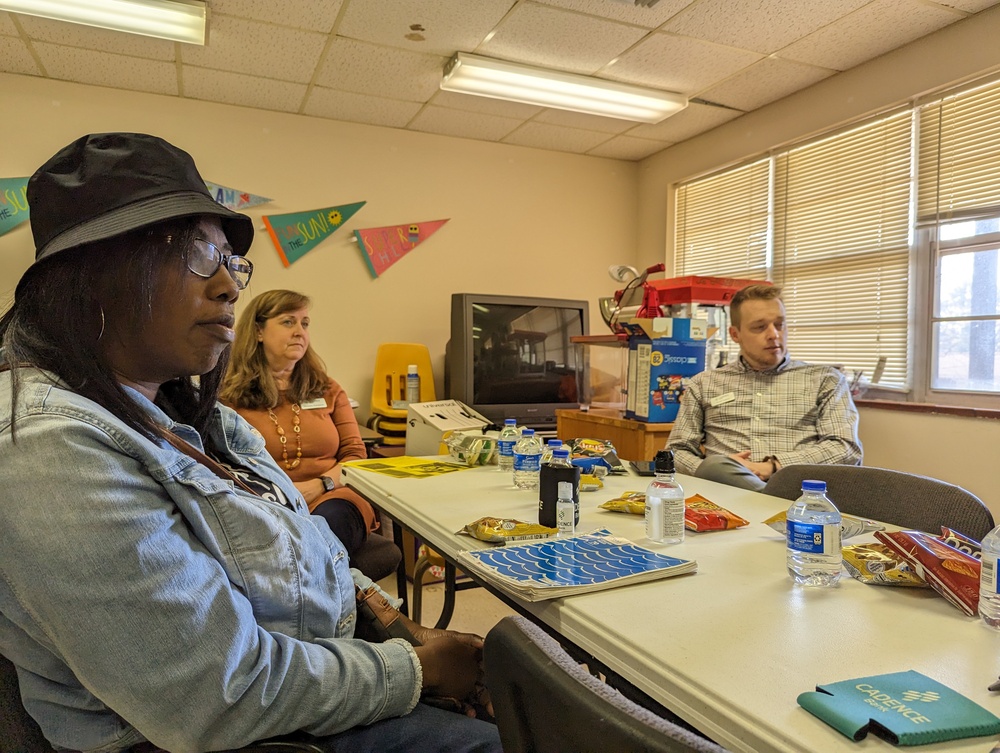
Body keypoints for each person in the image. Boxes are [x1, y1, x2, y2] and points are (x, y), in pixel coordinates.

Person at [0, 132, 500, 753]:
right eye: (196, 253)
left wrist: (399, 626)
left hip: (305, 668)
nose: (229, 288)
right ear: (95, 274)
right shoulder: (48, 449)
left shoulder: (200, 418)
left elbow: (310, 545)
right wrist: (416, 672)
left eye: (230, 262)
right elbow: (218, 693)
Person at [221, 289, 401, 579]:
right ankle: (350, 603)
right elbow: (223, 463)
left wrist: (321, 485)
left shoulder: (328, 388)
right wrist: (281, 495)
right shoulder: (229, 396)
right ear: (258, 331)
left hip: (333, 495)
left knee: (327, 527)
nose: (299, 332)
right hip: (264, 500)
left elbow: (355, 456)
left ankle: (316, 601)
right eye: (288, 322)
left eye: (305, 324)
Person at [667, 284, 862, 491]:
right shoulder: (704, 384)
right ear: (735, 334)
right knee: (715, 466)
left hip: (799, 494)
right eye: (759, 327)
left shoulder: (826, 380)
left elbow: (846, 449)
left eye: (779, 325)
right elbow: (676, 451)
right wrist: (714, 469)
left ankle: (763, 495)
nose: (773, 335)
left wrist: (774, 466)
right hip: (724, 493)